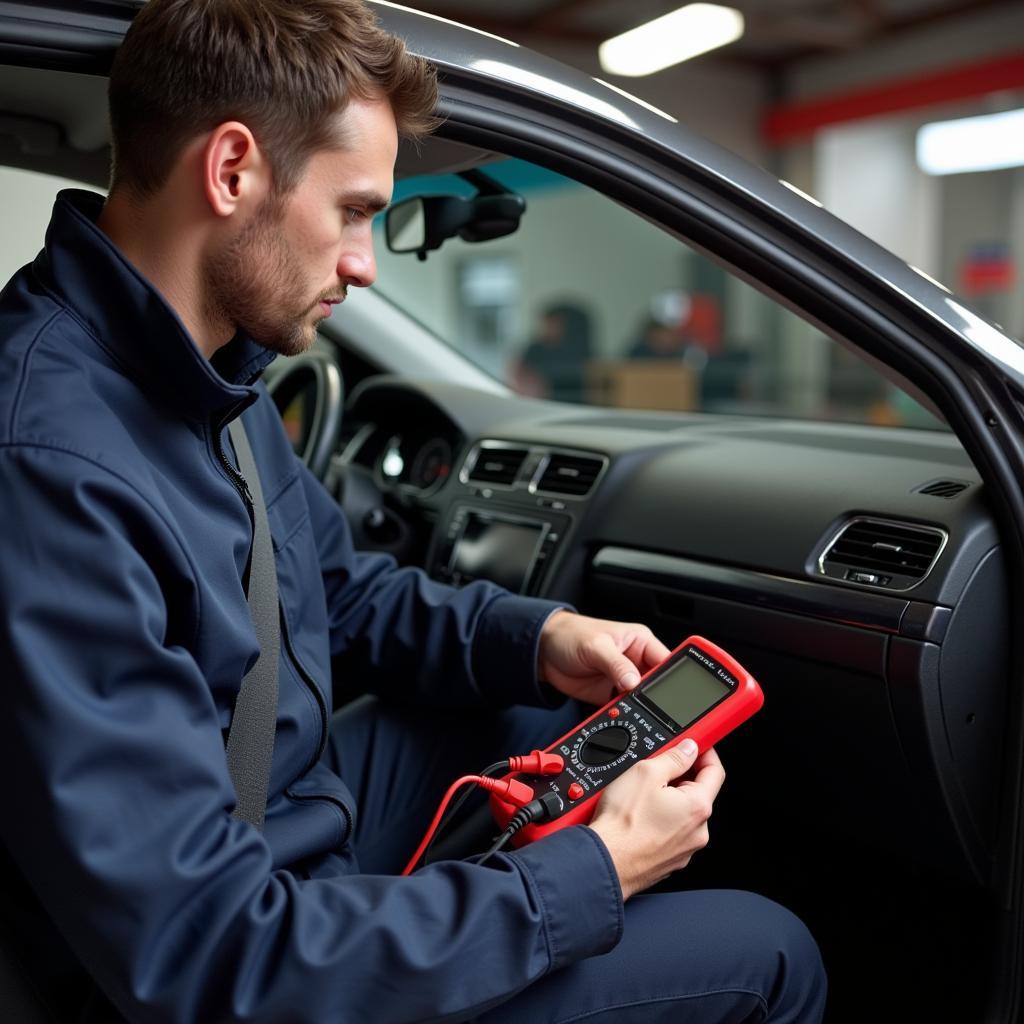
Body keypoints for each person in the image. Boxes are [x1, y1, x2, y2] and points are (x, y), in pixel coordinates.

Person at [0, 2, 826, 1022]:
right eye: (353, 210)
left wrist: (541, 636)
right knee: (769, 954)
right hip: (230, 949)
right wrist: (591, 876)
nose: (363, 262)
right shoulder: (52, 465)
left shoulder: (206, 375)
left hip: (271, 828)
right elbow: (206, 957)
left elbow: (330, 593)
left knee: (544, 714)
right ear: (230, 171)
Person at [512, 301, 593, 403]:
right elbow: (519, 372)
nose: (546, 328)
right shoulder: (535, 348)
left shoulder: (579, 351)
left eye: (553, 323)